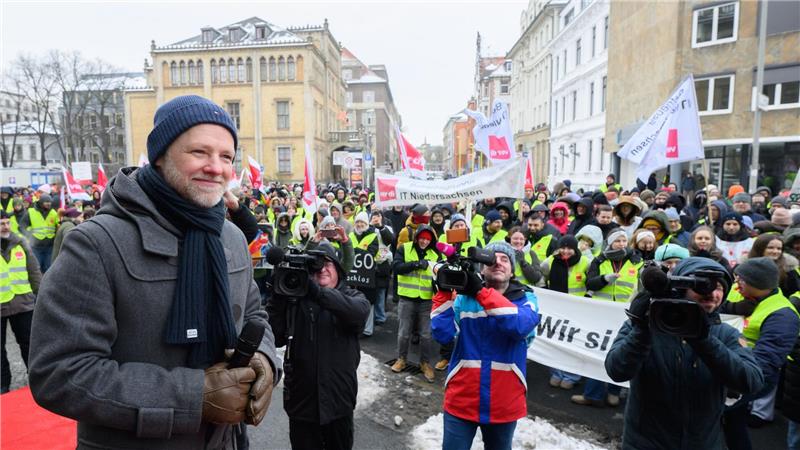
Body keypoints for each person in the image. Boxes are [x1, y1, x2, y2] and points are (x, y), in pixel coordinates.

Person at [29, 95, 279, 449]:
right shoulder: (97, 243)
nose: (216, 168)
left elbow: (254, 316)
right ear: (160, 155)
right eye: (199, 152)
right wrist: (193, 397)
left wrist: (264, 359)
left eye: (226, 157)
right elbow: (59, 373)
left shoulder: (232, 237)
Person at [605, 257, 765, 449]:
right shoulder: (646, 326)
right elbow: (616, 370)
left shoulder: (726, 334)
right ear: (682, 289)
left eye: (719, 288)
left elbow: (752, 382)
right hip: (645, 443)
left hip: (703, 443)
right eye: (702, 287)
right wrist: (641, 329)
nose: (711, 294)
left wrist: (702, 339)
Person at [430, 241, 540, 450]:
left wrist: (480, 291)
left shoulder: (526, 298)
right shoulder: (464, 299)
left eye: (505, 259)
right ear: (481, 268)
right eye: (491, 258)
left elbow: (520, 326)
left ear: (512, 271)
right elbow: (442, 335)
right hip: (461, 399)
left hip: (504, 403)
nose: (497, 262)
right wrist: (444, 292)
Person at [266, 242, 369, 450]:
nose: (322, 269)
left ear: (338, 269)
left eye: (327, 263)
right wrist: (278, 295)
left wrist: (316, 292)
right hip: (301, 404)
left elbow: (357, 314)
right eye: (315, 266)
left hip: (339, 403)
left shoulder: (354, 297)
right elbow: (274, 337)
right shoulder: (295, 301)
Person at [720, 258, 800, 448]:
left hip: (749, 377)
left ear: (758, 283)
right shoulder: (744, 293)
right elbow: (717, 307)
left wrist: (734, 385)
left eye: (741, 279)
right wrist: (732, 308)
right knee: (734, 424)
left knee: (719, 418)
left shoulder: (783, 314)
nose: (736, 284)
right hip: (730, 368)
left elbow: (767, 362)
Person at [391, 225, 441, 382]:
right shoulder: (404, 248)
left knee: (426, 335)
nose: (424, 241)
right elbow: (396, 267)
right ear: (417, 237)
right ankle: (401, 359)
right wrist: (417, 264)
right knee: (404, 333)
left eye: (428, 239)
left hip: (427, 299)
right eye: (422, 238)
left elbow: (440, 275)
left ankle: (425, 363)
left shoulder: (435, 253)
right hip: (407, 298)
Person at [0, 210, 42, 394]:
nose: (6, 226)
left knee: (29, 345)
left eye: (7, 223)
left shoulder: (21, 243)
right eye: (1, 224)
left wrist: (40, 295)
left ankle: (35, 378)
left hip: (23, 303)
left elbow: (34, 271)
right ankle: (3, 384)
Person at [19, 193, 59, 273]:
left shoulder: (54, 213)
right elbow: (22, 226)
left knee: (49, 268)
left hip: (49, 247)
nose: (48, 204)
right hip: (36, 247)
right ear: (41, 202)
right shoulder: (31, 212)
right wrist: (29, 236)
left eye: (50, 202)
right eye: (46, 202)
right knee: (37, 268)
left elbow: (58, 226)